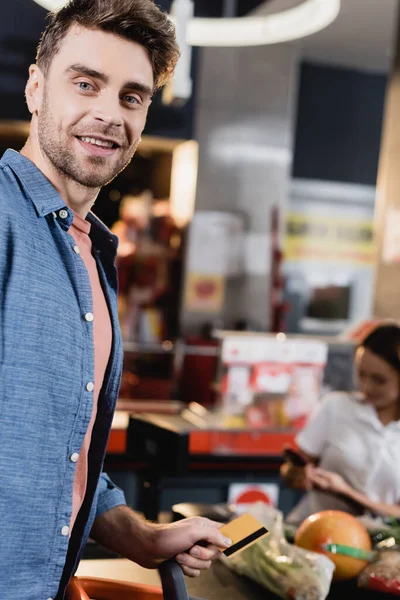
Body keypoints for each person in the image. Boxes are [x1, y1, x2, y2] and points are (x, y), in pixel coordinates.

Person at [0, 1, 231, 599]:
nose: (108, 114)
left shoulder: (92, 255)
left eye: (131, 97)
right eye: (85, 84)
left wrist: (142, 536)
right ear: (35, 88)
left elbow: (59, 455)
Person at [281, 323, 400, 525]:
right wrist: (297, 474)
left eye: (379, 380)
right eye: (361, 374)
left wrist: (346, 492)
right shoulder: (335, 407)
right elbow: (291, 470)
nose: (365, 386)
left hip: (380, 547)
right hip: (310, 531)